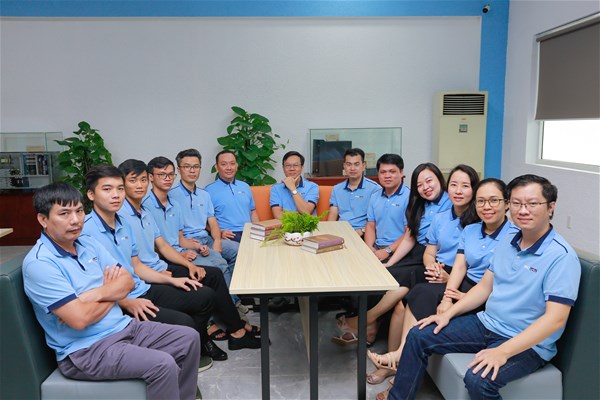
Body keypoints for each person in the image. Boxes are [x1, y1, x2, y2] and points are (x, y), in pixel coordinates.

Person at [386, 174, 581, 400]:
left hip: (528, 343)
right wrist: (447, 314)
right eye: (517, 203)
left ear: (550, 207)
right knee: (418, 334)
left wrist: (503, 351)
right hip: (487, 324)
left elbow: (555, 319)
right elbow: (484, 287)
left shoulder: (561, 257)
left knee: (478, 379)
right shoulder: (508, 241)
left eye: (532, 204)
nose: (523, 210)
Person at [23, 182, 200, 400]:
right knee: (163, 364)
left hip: (125, 327)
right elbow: (80, 319)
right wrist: (112, 292)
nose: (75, 220)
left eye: (79, 211)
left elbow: (127, 281)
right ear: (43, 219)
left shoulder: (87, 243)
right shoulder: (40, 263)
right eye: (64, 213)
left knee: (189, 338)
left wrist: (97, 294)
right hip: (86, 350)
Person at [367, 178, 516, 390]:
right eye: (482, 201)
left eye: (494, 200)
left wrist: (459, 296)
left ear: (507, 203)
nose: (487, 206)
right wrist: (447, 297)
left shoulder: (514, 238)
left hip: (484, 294)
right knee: (419, 291)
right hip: (464, 283)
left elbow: (495, 285)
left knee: (418, 290)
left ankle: (397, 354)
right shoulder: (471, 230)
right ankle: (397, 354)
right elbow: (460, 266)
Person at [334, 164, 478, 368]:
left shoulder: (459, 209)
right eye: (420, 184)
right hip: (428, 257)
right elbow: (413, 238)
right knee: (388, 275)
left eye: (430, 181)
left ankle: (366, 323)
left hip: (440, 264)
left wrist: (444, 274)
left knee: (402, 285)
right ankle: (377, 336)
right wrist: (389, 262)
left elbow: (462, 259)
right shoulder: (424, 206)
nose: (426, 187)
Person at [81, 165, 225, 364]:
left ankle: (196, 346)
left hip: (141, 288)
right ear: (91, 194)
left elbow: (137, 266)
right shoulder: (84, 231)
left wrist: (173, 281)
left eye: (120, 189)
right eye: (107, 189)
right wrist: (125, 301)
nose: (115, 195)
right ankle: (181, 357)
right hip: (119, 301)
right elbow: (91, 285)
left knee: (205, 295)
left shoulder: (124, 224)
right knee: (184, 322)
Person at [118, 159, 260, 352]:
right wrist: (170, 269)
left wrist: (191, 263)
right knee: (209, 284)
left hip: (163, 264)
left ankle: (236, 330)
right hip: (151, 273)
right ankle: (214, 334)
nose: (140, 185)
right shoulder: (125, 214)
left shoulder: (145, 211)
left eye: (142, 180)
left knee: (215, 273)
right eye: (133, 180)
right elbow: (142, 258)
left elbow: (165, 243)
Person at [169, 149, 245, 312]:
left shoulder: (204, 194)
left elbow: (213, 222)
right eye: (187, 166)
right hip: (187, 243)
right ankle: (230, 307)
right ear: (179, 169)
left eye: (196, 166)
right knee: (218, 265)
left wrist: (217, 241)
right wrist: (186, 247)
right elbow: (171, 233)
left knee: (238, 250)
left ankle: (232, 300)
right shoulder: (171, 196)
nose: (192, 170)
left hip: (207, 239)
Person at [205, 150, 259, 242]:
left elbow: (253, 212)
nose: (229, 168)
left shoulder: (245, 186)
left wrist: (259, 231)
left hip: (249, 232)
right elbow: (203, 222)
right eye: (224, 164)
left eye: (232, 163)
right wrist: (220, 232)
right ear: (216, 167)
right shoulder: (208, 191)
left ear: (236, 166)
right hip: (228, 235)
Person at [364, 154, 410, 263]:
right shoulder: (375, 196)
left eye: (392, 172)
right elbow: (370, 225)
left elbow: (409, 233)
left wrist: (388, 250)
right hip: (377, 248)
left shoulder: (409, 197)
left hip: (399, 250)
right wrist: (369, 248)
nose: (387, 176)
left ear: (401, 173)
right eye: (383, 172)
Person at [327, 148, 381, 238]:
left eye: (356, 164)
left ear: (364, 166)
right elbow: (332, 216)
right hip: (341, 232)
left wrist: (361, 231)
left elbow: (378, 219)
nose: (352, 168)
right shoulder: (337, 189)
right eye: (349, 164)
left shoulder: (375, 189)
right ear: (344, 166)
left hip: (363, 234)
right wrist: (329, 234)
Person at [270, 150, 319, 218]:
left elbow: (306, 212)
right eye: (288, 165)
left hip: (306, 225)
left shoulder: (312, 187)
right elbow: (278, 215)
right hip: (284, 224)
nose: (292, 169)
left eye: (295, 165)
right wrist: (301, 214)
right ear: (283, 168)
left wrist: (293, 188)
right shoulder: (276, 189)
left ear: (302, 168)